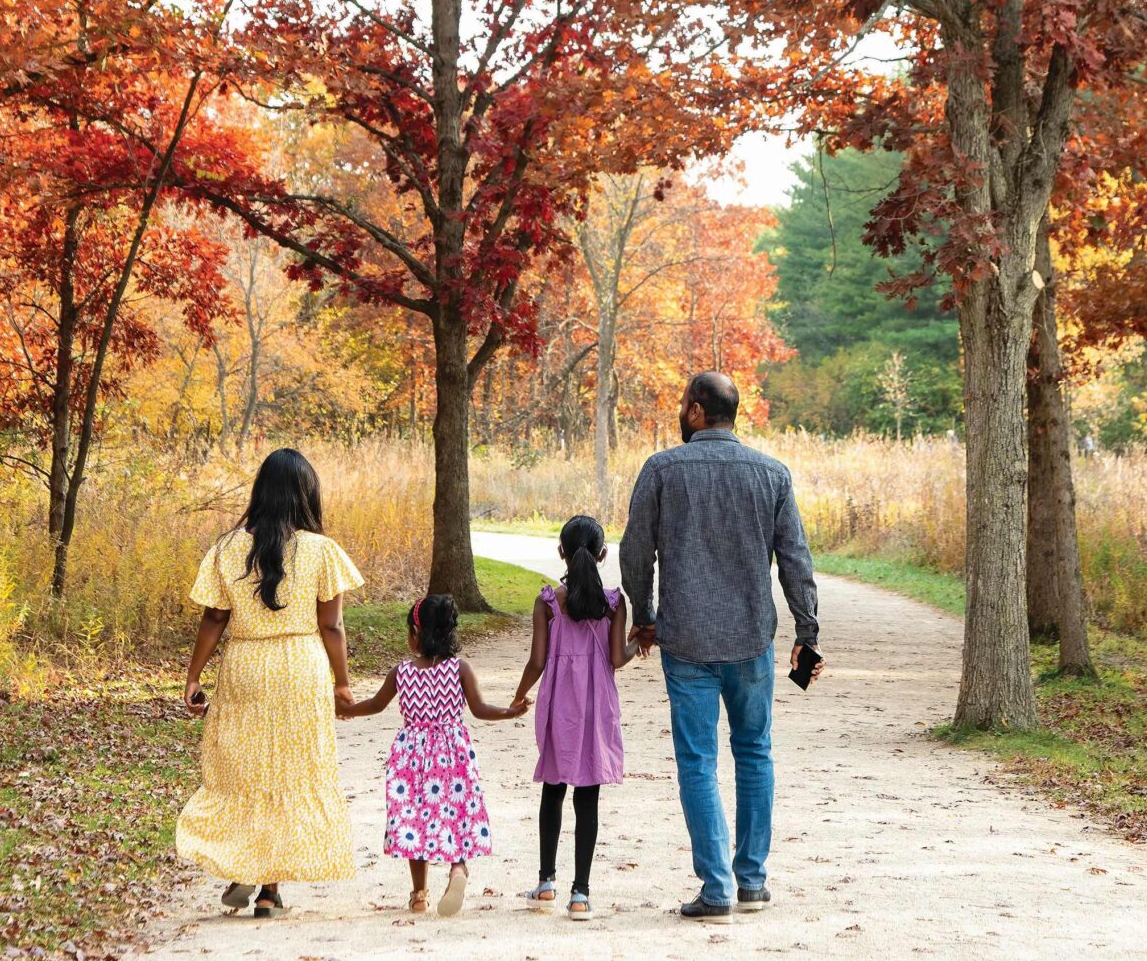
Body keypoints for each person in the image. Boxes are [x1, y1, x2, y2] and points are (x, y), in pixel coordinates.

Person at [619, 371, 821, 924]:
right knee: (755, 751)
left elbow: (636, 552)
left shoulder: (663, 470)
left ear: (696, 412)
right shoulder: (771, 474)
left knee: (698, 761)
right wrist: (807, 631)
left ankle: (716, 888)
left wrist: (645, 615)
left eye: (684, 404)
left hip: (686, 640)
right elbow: (796, 560)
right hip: (751, 638)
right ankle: (752, 880)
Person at [175, 449, 365, 919]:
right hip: (300, 667)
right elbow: (333, 627)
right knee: (290, 772)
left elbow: (214, 617)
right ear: (307, 494)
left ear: (260, 491)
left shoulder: (227, 547)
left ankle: (244, 865)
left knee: (242, 768)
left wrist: (194, 674)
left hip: (245, 666)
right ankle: (268, 890)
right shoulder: (322, 551)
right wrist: (342, 683)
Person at [339, 593, 529, 917]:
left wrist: (346, 710)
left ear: (416, 633)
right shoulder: (460, 668)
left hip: (411, 755)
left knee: (415, 817)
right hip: (452, 751)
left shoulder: (401, 672)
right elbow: (480, 710)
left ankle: (418, 895)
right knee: (453, 812)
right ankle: (457, 868)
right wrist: (509, 712)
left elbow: (374, 705)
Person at [507, 514, 632, 920]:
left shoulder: (547, 602)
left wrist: (518, 696)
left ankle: (546, 881)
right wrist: (638, 642)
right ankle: (581, 893)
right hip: (597, 707)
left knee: (554, 789)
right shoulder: (613, 604)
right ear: (603, 554)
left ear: (560, 551)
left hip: (560, 705)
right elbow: (617, 658)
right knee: (588, 794)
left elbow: (537, 661)